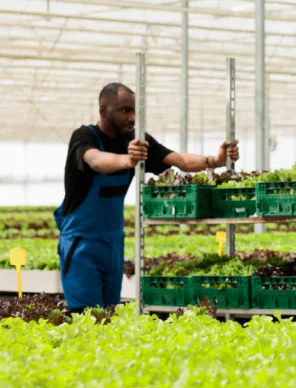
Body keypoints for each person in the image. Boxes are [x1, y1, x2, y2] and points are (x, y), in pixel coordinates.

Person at [56, 82, 239, 312]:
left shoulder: (136, 140)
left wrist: (214, 161)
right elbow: (95, 160)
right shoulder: (84, 137)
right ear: (103, 110)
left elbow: (179, 160)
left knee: (110, 315)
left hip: (113, 246)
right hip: (82, 245)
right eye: (125, 110)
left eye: (134, 111)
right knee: (85, 316)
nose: (132, 118)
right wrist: (128, 161)